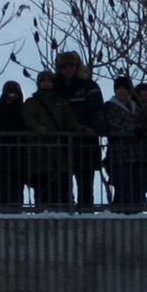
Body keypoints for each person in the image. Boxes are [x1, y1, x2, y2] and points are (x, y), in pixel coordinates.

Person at [22, 70, 87, 208]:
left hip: (59, 155)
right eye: (43, 80)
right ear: (39, 83)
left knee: (63, 191)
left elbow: (70, 120)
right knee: (42, 191)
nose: (46, 83)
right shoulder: (32, 102)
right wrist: (39, 128)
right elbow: (28, 118)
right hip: (39, 154)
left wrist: (79, 129)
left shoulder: (60, 102)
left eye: (49, 80)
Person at [53, 51, 106, 207]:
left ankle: (86, 215)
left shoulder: (89, 86)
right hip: (62, 144)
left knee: (85, 184)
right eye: (63, 66)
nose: (68, 69)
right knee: (62, 185)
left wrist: (96, 129)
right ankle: (64, 217)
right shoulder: (55, 88)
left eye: (72, 65)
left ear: (77, 66)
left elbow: (97, 110)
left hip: (85, 142)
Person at [102, 75, 147, 210]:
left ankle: (137, 216)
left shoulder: (137, 107)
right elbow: (114, 124)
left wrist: (140, 130)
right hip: (121, 155)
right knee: (124, 189)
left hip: (138, 155)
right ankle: (123, 217)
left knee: (139, 189)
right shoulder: (110, 107)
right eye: (118, 88)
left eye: (124, 88)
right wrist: (134, 130)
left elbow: (144, 124)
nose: (121, 91)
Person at [0, 81, 30, 206]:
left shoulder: (23, 110)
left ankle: (16, 209)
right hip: (0, 156)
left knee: (16, 188)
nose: (12, 95)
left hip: (18, 156)